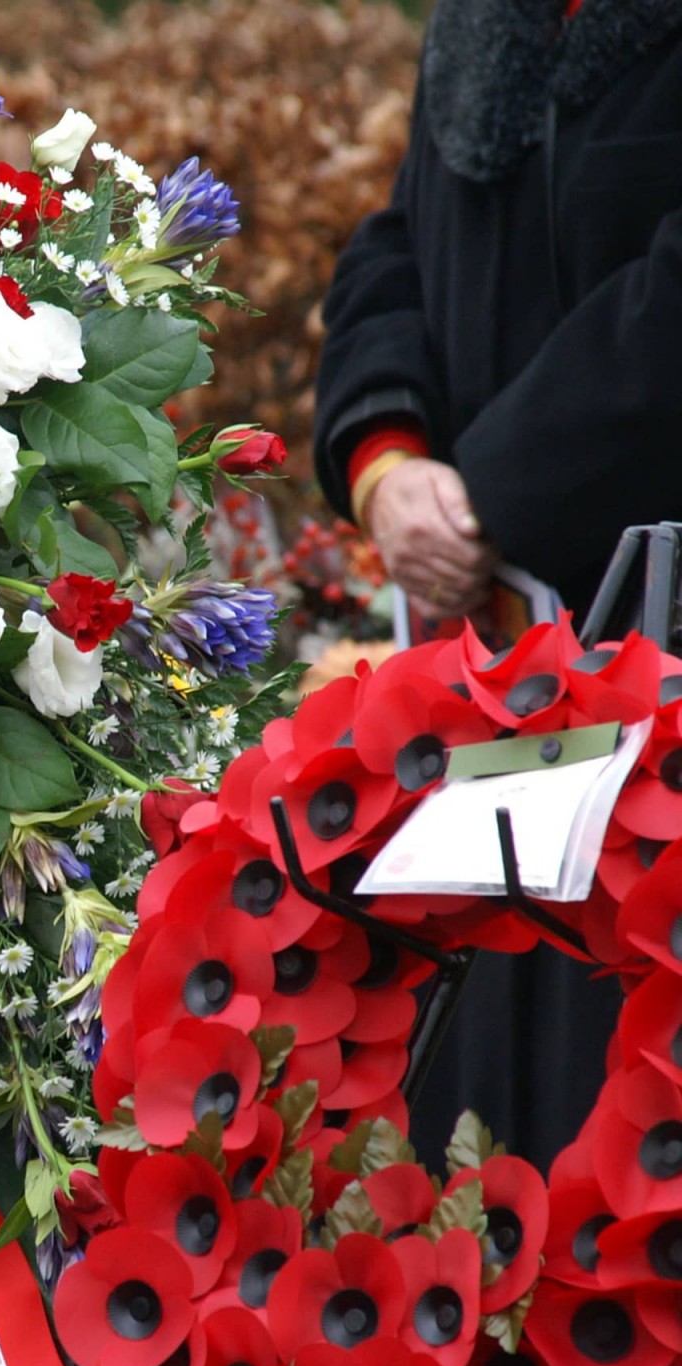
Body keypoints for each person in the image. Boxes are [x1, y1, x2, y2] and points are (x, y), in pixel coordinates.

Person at [313, 0, 682, 1171]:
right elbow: (394, 248)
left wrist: (494, 490)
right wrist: (388, 461)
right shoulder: (489, 18)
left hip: (654, 665)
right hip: (489, 676)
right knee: (484, 1152)